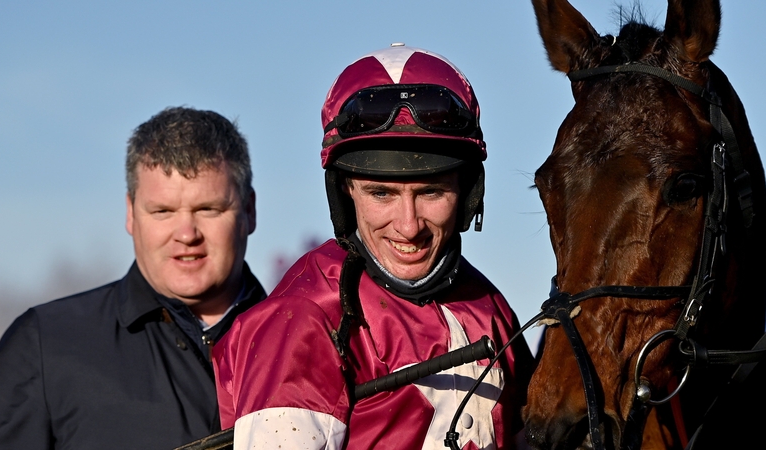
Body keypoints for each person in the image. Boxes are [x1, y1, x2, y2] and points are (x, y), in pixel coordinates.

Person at [213, 44, 536, 449]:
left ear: (467, 192)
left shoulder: (490, 306)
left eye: (432, 192)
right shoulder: (303, 319)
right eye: (381, 194)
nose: (408, 225)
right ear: (346, 192)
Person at [0, 106, 267, 450]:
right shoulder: (45, 346)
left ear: (249, 211)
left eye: (208, 209)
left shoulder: (313, 340)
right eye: (162, 211)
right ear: (131, 214)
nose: (186, 233)